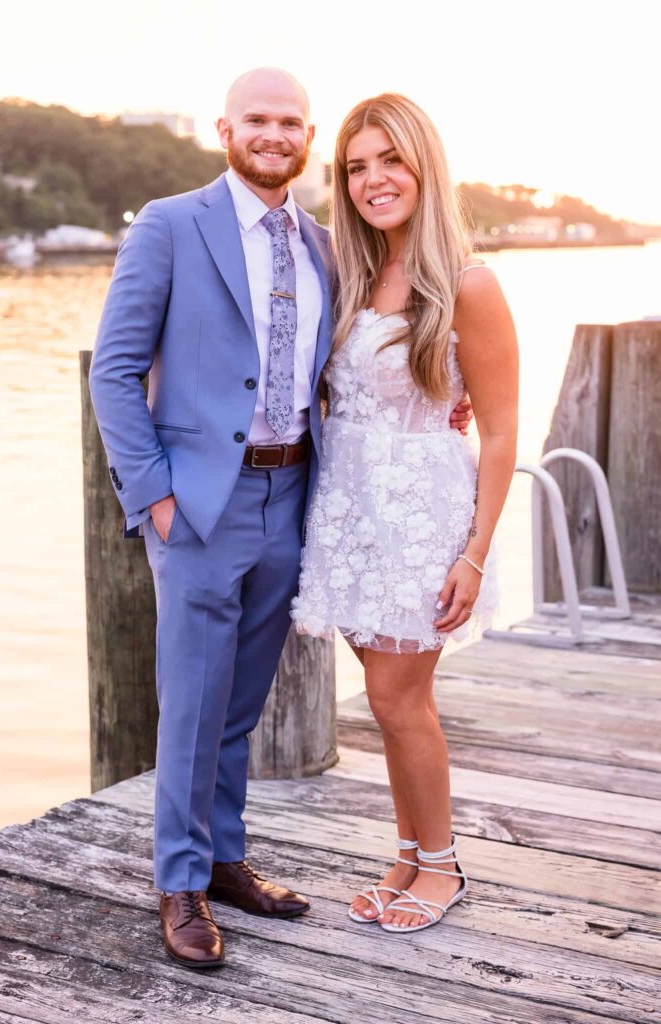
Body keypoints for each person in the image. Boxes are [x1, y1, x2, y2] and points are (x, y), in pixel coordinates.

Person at [89, 67, 476, 967]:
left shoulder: (324, 244)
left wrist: (451, 396)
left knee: (239, 704)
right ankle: (179, 884)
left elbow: (375, 350)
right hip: (197, 504)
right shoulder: (169, 225)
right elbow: (113, 371)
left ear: (309, 143)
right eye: (257, 119)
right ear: (225, 128)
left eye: (291, 123)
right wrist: (152, 493)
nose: (274, 134)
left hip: (293, 493)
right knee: (189, 703)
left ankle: (225, 861)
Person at [292, 93, 519, 934]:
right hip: (348, 514)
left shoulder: (469, 283)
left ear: (424, 165)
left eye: (389, 161)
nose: (371, 180)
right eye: (355, 166)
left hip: (420, 516)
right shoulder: (347, 274)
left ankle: (444, 865)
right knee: (383, 694)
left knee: (398, 700)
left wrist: (474, 553)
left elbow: (498, 433)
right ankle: (408, 851)